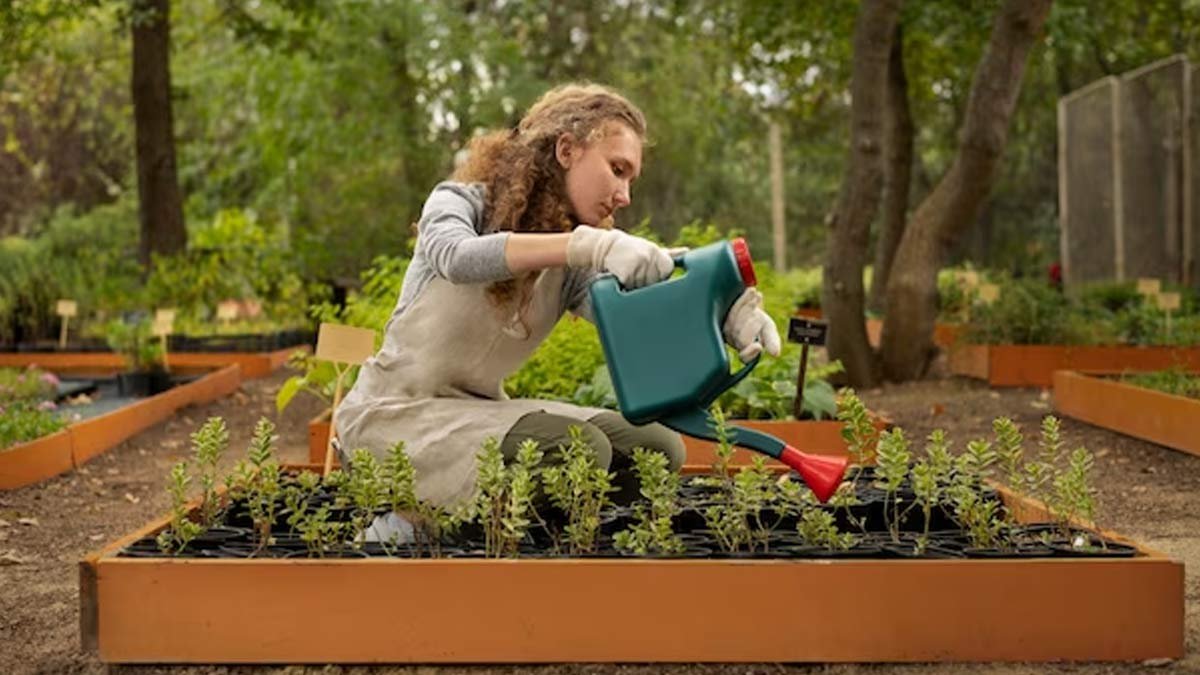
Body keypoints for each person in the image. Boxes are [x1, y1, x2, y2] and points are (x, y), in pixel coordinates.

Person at [335, 83, 781, 513]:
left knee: (656, 448)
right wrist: (586, 246)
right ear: (566, 150)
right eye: (617, 169)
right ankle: (409, 529)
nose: (624, 196)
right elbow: (457, 257)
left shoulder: (569, 269)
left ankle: (552, 546)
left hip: (477, 414)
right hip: (394, 417)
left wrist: (722, 313)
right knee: (578, 450)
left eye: (631, 179)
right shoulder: (458, 203)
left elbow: (639, 316)